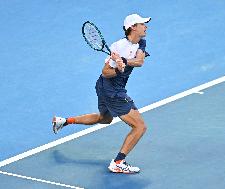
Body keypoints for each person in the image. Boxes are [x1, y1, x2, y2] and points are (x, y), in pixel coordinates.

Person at [52, 13, 151, 174]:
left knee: (105, 119)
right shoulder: (118, 47)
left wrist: (124, 61)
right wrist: (117, 68)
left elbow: (139, 61)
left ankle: (64, 121)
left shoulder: (141, 41)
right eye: (142, 24)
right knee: (140, 126)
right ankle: (118, 162)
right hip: (112, 90)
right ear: (133, 27)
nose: (146, 26)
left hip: (108, 89)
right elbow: (105, 72)